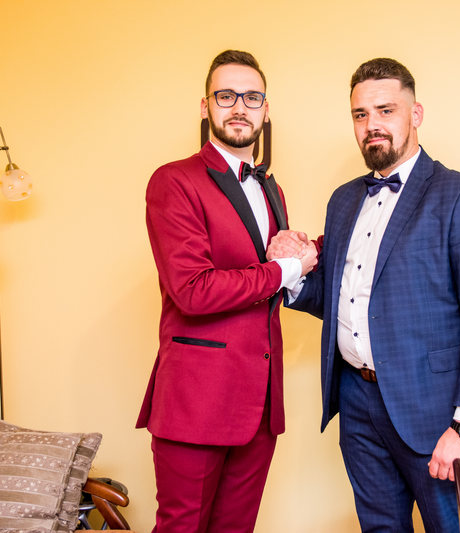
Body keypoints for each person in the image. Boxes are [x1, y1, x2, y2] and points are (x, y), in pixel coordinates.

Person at [268, 58, 460, 532]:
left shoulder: (458, 195)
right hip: (357, 404)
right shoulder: (343, 200)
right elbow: (340, 297)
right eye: (361, 114)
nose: (372, 125)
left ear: (415, 114)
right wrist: (293, 272)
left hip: (433, 412)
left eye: (386, 110)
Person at [136, 49, 317, 533]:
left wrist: (308, 253)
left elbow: (270, 277)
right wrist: (285, 269)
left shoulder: (271, 188)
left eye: (252, 97)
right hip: (197, 400)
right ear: (205, 106)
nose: (240, 107)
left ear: (265, 109)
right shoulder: (174, 180)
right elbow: (192, 290)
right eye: (226, 96)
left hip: (260, 403)